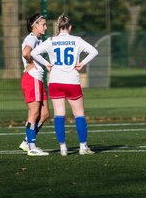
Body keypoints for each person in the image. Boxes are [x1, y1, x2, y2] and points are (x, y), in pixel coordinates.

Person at [31, 14, 98, 156]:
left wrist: (47, 63)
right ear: (70, 27)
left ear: (58, 26)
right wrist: (82, 63)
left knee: (59, 115)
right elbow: (94, 51)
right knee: (79, 114)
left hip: (55, 81)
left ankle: (63, 147)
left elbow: (34, 53)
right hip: (72, 81)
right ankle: (83, 147)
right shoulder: (76, 40)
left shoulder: (51, 40)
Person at [20, 13, 50, 156]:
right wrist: (31, 63)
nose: (45, 26)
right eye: (43, 24)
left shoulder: (37, 39)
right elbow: (26, 53)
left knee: (44, 114)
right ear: (35, 25)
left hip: (37, 80)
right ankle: (31, 147)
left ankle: (27, 141)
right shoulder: (31, 38)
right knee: (34, 113)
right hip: (32, 78)